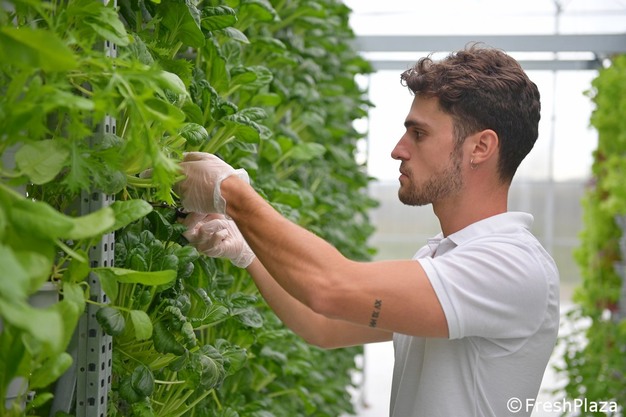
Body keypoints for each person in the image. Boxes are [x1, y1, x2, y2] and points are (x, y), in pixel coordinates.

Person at [176, 43, 560, 417]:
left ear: (481, 147)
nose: (398, 149)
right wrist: (246, 250)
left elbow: (331, 288)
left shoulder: (511, 266)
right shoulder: (445, 256)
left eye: (419, 133)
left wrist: (232, 194)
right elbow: (325, 326)